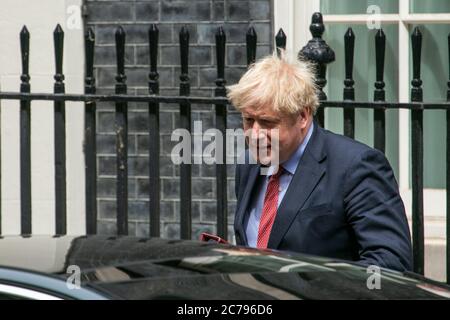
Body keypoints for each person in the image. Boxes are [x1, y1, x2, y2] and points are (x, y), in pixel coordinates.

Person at [227, 51, 412, 272]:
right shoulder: (249, 165)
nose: (254, 134)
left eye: (267, 122)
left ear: (302, 117)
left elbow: (391, 264)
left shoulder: (356, 166)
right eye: (249, 120)